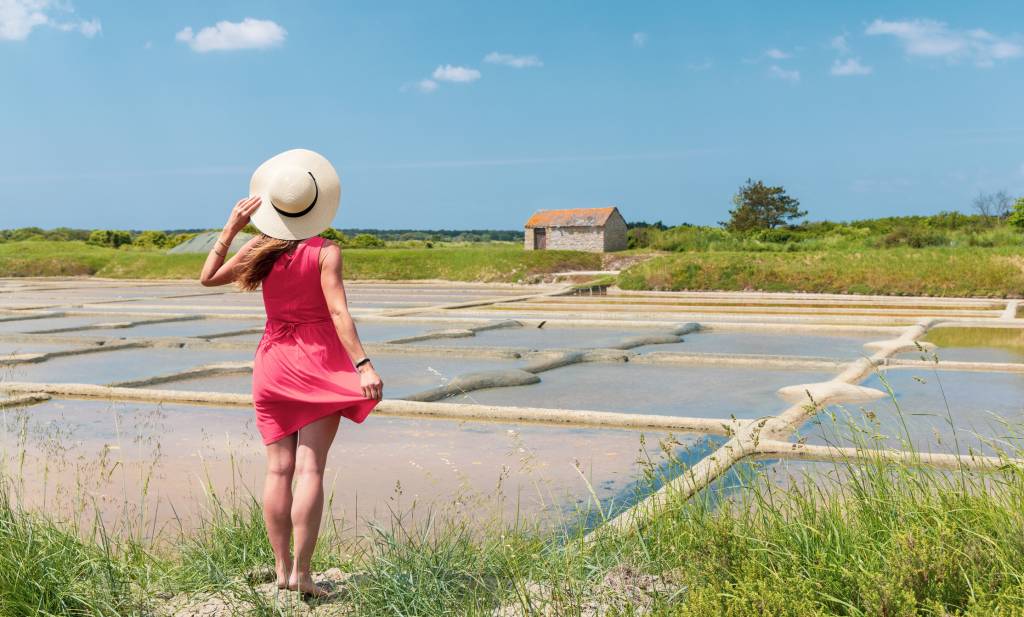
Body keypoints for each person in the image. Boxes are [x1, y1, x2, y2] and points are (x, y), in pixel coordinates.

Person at [199, 148, 383, 597]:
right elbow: (338, 313)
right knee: (310, 470)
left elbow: (208, 277)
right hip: (317, 364)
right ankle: (303, 574)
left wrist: (232, 228)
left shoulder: (258, 247)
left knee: (278, 471)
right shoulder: (325, 252)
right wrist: (363, 365)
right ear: (317, 205)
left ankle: (282, 571)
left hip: (272, 364)